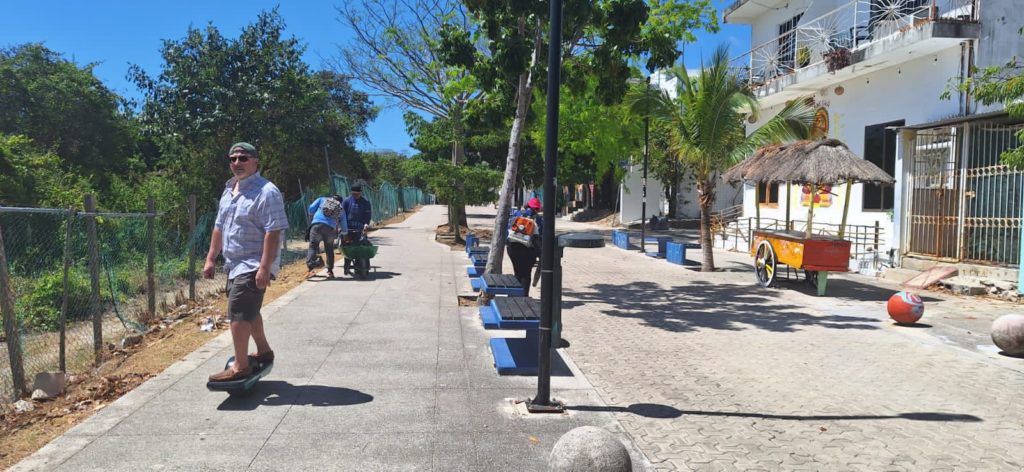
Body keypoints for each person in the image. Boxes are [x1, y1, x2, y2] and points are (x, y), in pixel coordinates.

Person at [203, 142, 289, 382]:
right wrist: (211, 258)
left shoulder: (267, 191)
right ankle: (263, 351)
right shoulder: (229, 190)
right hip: (234, 264)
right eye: (233, 159)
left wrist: (264, 268)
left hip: (253, 264)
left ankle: (240, 366)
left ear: (255, 162)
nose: (237, 163)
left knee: (238, 313)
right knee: (249, 310)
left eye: (243, 158)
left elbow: (273, 232)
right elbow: (219, 227)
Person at [507, 197, 543, 297]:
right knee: (526, 274)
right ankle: (523, 297)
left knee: (517, 271)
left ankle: (515, 296)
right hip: (528, 250)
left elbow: (508, 229)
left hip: (512, 247)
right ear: (537, 208)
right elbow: (540, 235)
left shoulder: (517, 214)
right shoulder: (538, 219)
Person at [305, 194, 347, 279]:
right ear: (340, 202)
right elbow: (343, 223)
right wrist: (344, 233)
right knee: (329, 249)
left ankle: (310, 270)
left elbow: (311, 208)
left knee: (313, 246)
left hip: (317, 225)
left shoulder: (322, 199)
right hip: (330, 229)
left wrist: (312, 215)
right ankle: (330, 272)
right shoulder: (341, 208)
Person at [341, 185, 372, 275]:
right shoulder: (346, 201)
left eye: (357, 194)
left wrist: (366, 224)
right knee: (347, 248)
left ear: (360, 193)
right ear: (351, 193)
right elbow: (342, 214)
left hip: (360, 229)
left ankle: (362, 267)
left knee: (361, 248)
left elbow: (368, 215)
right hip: (348, 229)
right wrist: (342, 228)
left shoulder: (365, 202)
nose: (355, 196)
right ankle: (346, 266)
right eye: (354, 194)